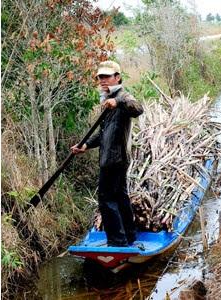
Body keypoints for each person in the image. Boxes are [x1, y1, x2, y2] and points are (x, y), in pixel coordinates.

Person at [71, 61, 144, 247]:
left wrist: (117, 101)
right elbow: (104, 133)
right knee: (120, 197)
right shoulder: (107, 99)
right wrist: (85, 144)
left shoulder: (122, 96)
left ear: (117, 77)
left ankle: (117, 242)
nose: (103, 80)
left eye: (107, 76)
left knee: (106, 199)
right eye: (100, 77)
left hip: (115, 159)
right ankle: (129, 236)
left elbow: (138, 108)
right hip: (111, 158)